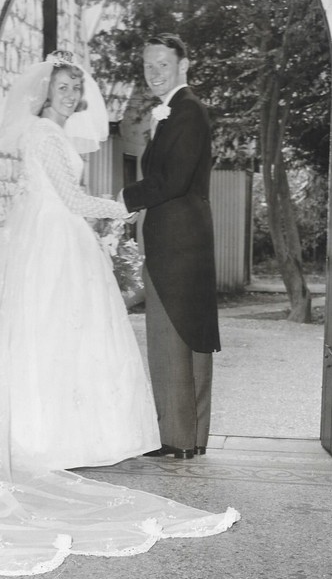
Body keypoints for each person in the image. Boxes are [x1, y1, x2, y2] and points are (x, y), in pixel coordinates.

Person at [0, 51, 238, 576]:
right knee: (48, 336)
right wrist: (121, 206)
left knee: (75, 341)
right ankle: (43, 436)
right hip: (51, 246)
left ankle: (83, 433)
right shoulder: (44, 134)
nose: (69, 95)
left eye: (74, 87)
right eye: (61, 87)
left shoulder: (60, 135)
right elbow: (68, 198)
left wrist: (116, 211)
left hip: (67, 242)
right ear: (45, 93)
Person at [122, 33, 221, 460]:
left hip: (177, 242)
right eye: (148, 66)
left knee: (170, 334)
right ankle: (191, 437)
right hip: (187, 238)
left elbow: (173, 181)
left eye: (163, 64)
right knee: (189, 332)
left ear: (184, 65)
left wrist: (121, 201)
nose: (155, 73)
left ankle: (177, 439)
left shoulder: (186, 112)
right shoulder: (179, 110)